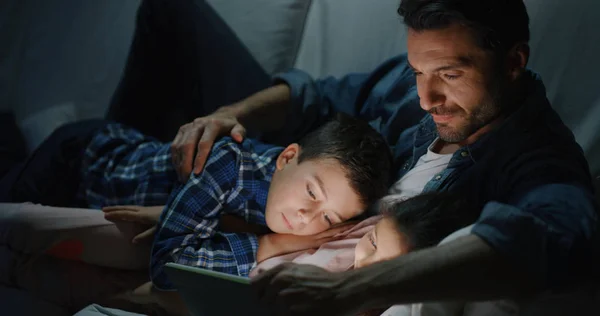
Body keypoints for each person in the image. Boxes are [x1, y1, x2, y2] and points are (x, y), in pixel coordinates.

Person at [100, 0, 596, 315]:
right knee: (172, 13)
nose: (426, 97)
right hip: (284, 167)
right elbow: (319, 95)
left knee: (90, 162)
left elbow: (549, 237)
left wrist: (352, 291)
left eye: (448, 74)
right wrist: (232, 115)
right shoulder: (417, 91)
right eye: (417, 71)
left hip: (286, 222)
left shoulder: (537, 164)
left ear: (514, 62)